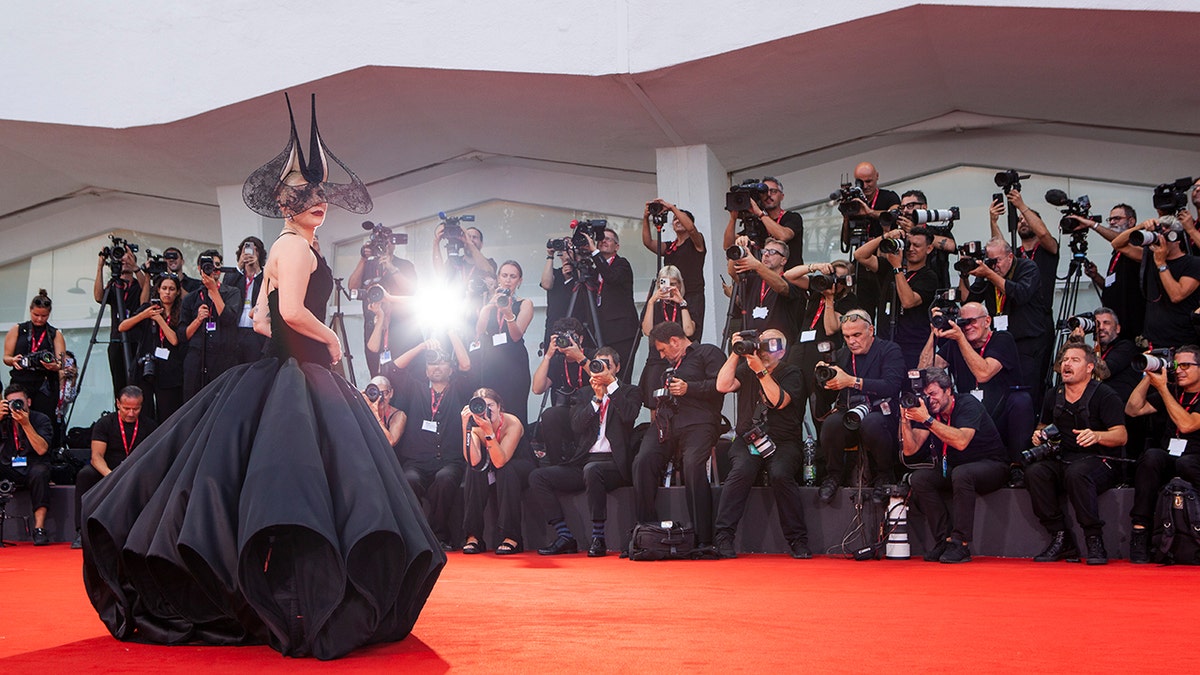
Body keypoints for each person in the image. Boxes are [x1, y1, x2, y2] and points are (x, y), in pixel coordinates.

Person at [81, 95, 443, 659]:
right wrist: (329, 342)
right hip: (298, 373)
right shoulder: (294, 246)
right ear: (286, 204)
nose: (318, 204)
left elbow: (260, 314)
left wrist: (292, 325)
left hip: (291, 373)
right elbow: (293, 314)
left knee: (295, 483)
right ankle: (302, 596)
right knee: (308, 485)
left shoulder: (293, 246)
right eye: (308, 197)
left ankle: (290, 593)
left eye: (322, 196)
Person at [530, 347, 641, 557]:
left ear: (617, 367)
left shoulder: (629, 391)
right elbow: (577, 426)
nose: (602, 369)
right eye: (598, 364)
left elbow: (629, 415)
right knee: (538, 477)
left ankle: (598, 538)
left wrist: (611, 387)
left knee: (593, 470)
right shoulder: (583, 394)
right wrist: (596, 400)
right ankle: (565, 536)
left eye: (607, 365)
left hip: (614, 465)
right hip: (583, 462)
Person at [1025, 344, 1128, 565]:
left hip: (1101, 460)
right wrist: (1038, 435)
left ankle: (1094, 538)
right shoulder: (1054, 394)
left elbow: (1121, 435)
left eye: (1074, 360)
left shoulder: (1105, 394)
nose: (1066, 364)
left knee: (1077, 473)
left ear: (1090, 367)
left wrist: (1097, 436)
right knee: (1035, 472)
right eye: (1064, 360)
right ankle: (1060, 537)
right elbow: (1042, 424)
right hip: (1064, 457)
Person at [713, 330, 810, 559]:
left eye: (771, 346)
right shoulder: (747, 369)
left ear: (782, 352)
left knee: (780, 474)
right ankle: (724, 537)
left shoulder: (792, 372)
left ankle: (798, 540)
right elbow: (722, 385)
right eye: (762, 345)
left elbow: (778, 401)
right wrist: (736, 353)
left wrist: (761, 370)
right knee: (741, 470)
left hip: (783, 441)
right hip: (748, 439)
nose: (765, 350)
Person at [631, 321, 725, 553]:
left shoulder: (707, 353)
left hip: (699, 422)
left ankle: (703, 539)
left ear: (675, 341)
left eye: (663, 349)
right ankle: (646, 531)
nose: (662, 356)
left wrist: (689, 388)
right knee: (642, 461)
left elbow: (723, 385)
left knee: (693, 464)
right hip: (667, 423)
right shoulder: (668, 368)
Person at [900, 369, 1009, 563]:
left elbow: (961, 442)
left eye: (933, 394)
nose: (929, 399)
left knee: (962, 473)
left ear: (948, 390)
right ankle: (944, 540)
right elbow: (910, 450)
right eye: (926, 395)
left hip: (992, 465)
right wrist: (905, 421)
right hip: (956, 469)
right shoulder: (929, 411)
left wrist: (927, 420)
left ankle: (961, 543)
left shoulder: (967, 403)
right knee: (920, 478)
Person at [919, 302, 1033, 472]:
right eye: (963, 323)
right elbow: (924, 371)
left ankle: (1017, 466)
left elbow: (984, 373)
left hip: (1001, 411)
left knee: (1021, 401)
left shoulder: (1002, 339)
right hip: (972, 413)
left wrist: (960, 338)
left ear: (987, 321)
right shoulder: (955, 343)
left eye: (972, 321)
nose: (968, 327)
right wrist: (933, 335)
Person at [392, 335, 472, 550]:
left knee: (445, 479)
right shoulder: (415, 389)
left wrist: (452, 332)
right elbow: (395, 368)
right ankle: (416, 536)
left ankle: (439, 536)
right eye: (431, 363)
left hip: (449, 460)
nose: (436, 367)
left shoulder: (458, 389)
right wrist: (423, 346)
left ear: (450, 369)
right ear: (426, 370)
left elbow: (466, 365)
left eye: (441, 362)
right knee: (408, 480)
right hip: (417, 461)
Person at [816, 309, 905, 502]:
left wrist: (852, 381)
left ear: (870, 330)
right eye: (847, 336)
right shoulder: (842, 354)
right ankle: (833, 475)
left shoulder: (889, 350)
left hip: (881, 411)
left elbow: (891, 386)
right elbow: (827, 393)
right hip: (850, 412)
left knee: (872, 423)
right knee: (831, 424)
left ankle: (884, 475)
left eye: (857, 335)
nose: (851, 341)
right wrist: (824, 380)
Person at [1125, 344, 1200, 563]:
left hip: (1195, 460)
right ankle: (1140, 531)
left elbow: (1186, 425)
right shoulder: (1174, 392)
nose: (1179, 370)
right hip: (1173, 458)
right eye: (1176, 365)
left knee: (1186, 463)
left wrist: (1164, 389)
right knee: (1151, 457)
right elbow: (1132, 409)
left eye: (1186, 365)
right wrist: (1150, 376)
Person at [959, 237, 1053, 400]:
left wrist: (989, 274)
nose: (994, 265)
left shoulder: (1027, 267)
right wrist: (964, 274)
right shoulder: (989, 270)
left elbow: (1021, 294)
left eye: (997, 260)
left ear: (1010, 257)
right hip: (1001, 341)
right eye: (990, 261)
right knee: (1000, 389)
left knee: (1028, 390)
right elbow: (969, 300)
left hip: (1027, 341)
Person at [71, 386, 157, 549]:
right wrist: (111, 476)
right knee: (85, 475)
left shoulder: (149, 425)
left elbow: (153, 456)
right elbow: (96, 457)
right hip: (108, 470)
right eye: (126, 408)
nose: (131, 413)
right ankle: (81, 532)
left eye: (136, 409)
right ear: (118, 404)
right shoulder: (105, 424)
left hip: (136, 471)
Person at [784, 260, 862, 435]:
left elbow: (830, 327)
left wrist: (829, 298)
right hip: (800, 348)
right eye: (832, 276)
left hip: (822, 352)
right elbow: (789, 275)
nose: (834, 282)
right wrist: (816, 268)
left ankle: (822, 453)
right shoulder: (817, 287)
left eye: (839, 279)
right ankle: (795, 449)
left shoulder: (849, 299)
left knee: (818, 404)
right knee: (793, 398)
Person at [854, 226, 939, 366]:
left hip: (911, 346)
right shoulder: (890, 267)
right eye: (908, 244)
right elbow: (860, 255)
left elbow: (908, 301)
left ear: (929, 249)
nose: (911, 249)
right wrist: (885, 237)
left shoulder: (929, 276)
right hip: (885, 342)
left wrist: (897, 268)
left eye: (917, 245)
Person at [461, 387, 532, 555]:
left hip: (519, 467)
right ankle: (473, 536)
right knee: (473, 471)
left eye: (490, 405)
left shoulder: (512, 422)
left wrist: (489, 432)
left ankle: (511, 537)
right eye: (481, 405)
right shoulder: (475, 426)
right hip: (493, 467)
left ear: (500, 407)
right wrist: (466, 427)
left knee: (506, 471)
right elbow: (474, 460)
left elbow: (500, 461)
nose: (486, 410)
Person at [1111, 215, 1200, 349]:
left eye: (1164, 235)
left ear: (1175, 238)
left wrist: (1161, 263)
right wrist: (1141, 227)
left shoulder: (1193, 263)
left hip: (1182, 341)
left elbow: (1177, 295)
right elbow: (1117, 244)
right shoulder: (1150, 258)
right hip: (1153, 340)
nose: (1159, 240)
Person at [117, 274, 186, 422]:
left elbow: (174, 340)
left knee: (168, 413)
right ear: (158, 290)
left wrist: (159, 319)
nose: (167, 292)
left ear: (177, 292)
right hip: (146, 367)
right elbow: (122, 327)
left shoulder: (181, 311)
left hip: (170, 370)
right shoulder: (148, 308)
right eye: (164, 288)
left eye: (172, 289)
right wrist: (144, 315)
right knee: (145, 413)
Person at [348, 236, 418, 377]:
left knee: (404, 375)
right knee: (376, 375)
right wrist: (363, 259)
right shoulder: (368, 265)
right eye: (379, 242)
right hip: (373, 326)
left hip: (401, 327)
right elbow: (352, 288)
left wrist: (391, 267)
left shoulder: (404, 265)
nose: (384, 245)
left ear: (394, 243)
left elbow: (412, 291)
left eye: (387, 241)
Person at [474, 260, 534, 426]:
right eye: (504, 275)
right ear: (498, 277)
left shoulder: (525, 303)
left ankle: (518, 448)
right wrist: (489, 306)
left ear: (519, 280)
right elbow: (479, 332)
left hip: (514, 363)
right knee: (490, 407)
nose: (508, 280)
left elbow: (516, 336)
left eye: (513, 276)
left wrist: (508, 313)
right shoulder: (489, 303)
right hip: (491, 361)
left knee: (515, 409)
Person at [840, 162, 901, 323]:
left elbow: (893, 215)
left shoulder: (889, 197)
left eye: (869, 181)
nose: (865, 186)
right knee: (861, 311)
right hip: (861, 263)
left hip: (883, 261)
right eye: (861, 182)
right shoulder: (853, 201)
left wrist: (869, 212)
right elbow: (846, 240)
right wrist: (847, 217)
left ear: (877, 177)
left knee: (884, 312)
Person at [3, 290, 65, 441]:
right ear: (30, 310)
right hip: (21, 381)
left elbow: (62, 362)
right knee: (17, 415)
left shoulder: (54, 334)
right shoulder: (18, 329)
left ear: (49, 314)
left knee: (44, 418)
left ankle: (45, 451)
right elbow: (6, 357)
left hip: (45, 384)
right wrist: (13, 360)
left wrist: (54, 366)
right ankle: (15, 448)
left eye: (44, 316)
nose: (39, 319)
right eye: (36, 315)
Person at [179, 249, 240, 400]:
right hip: (197, 357)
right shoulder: (191, 298)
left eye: (217, 265)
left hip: (223, 357)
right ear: (200, 268)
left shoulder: (232, 292)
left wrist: (214, 290)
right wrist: (198, 320)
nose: (213, 269)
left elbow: (229, 318)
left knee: (221, 402)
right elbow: (182, 335)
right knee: (193, 402)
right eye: (208, 265)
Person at [642, 199, 707, 340]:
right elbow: (648, 242)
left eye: (681, 218)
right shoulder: (670, 246)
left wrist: (672, 208)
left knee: (690, 335)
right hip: (670, 296)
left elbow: (691, 229)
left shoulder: (696, 241)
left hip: (691, 295)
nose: (677, 220)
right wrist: (646, 217)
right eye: (674, 219)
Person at [579, 227, 640, 377]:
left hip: (621, 331)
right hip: (602, 330)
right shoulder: (595, 270)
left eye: (608, 239)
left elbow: (611, 277)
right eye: (601, 239)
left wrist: (594, 252)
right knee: (602, 373)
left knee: (621, 374)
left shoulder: (622, 264)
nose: (603, 241)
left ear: (617, 247)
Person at [532, 317, 592, 466]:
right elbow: (537, 389)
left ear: (581, 339)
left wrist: (580, 357)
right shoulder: (557, 361)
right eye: (562, 338)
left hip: (591, 411)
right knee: (549, 415)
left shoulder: (591, 355)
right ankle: (556, 464)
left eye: (571, 337)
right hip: (568, 411)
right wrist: (548, 356)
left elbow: (603, 378)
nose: (566, 342)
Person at [1079, 204, 1144, 340]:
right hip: (1114, 324)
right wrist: (1096, 276)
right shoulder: (1116, 253)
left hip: (1132, 324)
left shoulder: (1137, 246)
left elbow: (1116, 239)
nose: (1112, 222)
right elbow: (1111, 287)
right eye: (1110, 219)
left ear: (1131, 222)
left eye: (1117, 218)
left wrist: (1092, 225)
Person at [638, 266, 696, 416]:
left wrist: (681, 302)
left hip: (681, 361)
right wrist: (651, 301)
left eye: (674, 284)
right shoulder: (654, 306)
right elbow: (647, 331)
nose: (669, 288)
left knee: (681, 408)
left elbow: (689, 331)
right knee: (655, 409)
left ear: (680, 285)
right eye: (665, 283)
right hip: (657, 361)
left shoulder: (686, 304)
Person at [0, 385, 52, 545]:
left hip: (33, 466)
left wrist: (25, 424)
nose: (16, 406)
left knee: (41, 472)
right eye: (11, 403)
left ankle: (39, 528)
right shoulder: (3, 420)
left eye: (19, 402)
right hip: (7, 466)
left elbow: (42, 449)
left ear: (28, 402)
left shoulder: (41, 419)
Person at [94, 245, 146, 397]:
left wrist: (136, 268)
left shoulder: (138, 283)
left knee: (138, 384)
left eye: (127, 259)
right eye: (121, 259)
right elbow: (98, 297)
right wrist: (100, 266)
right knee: (119, 384)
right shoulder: (114, 285)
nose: (124, 262)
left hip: (136, 341)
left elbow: (148, 291)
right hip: (117, 340)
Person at [728, 237, 804, 338]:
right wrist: (738, 248)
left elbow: (781, 287)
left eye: (772, 252)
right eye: (765, 251)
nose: (766, 254)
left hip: (778, 344)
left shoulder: (791, 279)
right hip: (751, 340)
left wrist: (757, 266)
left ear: (783, 260)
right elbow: (732, 272)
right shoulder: (754, 278)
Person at [723, 176, 805, 270]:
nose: (769, 195)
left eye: (773, 191)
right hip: (765, 281)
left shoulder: (792, 217)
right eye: (764, 192)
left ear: (782, 196)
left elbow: (783, 236)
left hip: (790, 279)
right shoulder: (757, 222)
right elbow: (727, 246)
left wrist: (760, 213)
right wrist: (733, 218)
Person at [226, 236, 269, 367]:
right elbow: (225, 289)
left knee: (253, 368)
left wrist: (257, 269)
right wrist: (240, 265)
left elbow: (267, 289)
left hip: (255, 332)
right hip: (236, 330)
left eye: (254, 250)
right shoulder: (234, 276)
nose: (250, 253)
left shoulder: (264, 276)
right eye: (246, 249)